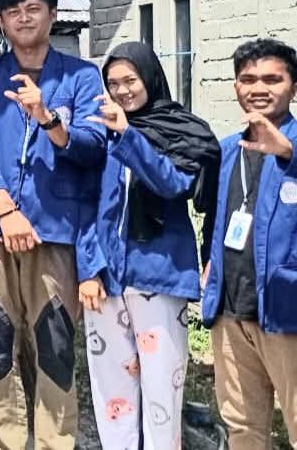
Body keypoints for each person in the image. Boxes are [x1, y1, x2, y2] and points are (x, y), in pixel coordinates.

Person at [0, 0, 106, 450]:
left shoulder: (82, 76)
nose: (23, 18)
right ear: (1, 21)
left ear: (53, 14)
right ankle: (4, 442)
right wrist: (5, 209)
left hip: (55, 229)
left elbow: (93, 146)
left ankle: (54, 443)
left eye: (33, 8)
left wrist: (47, 118)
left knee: (55, 344)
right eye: (12, 11)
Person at [79, 42, 220, 449]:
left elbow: (172, 184)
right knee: (113, 392)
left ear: (151, 78)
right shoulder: (102, 132)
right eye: (113, 83)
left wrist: (129, 134)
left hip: (158, 275)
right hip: (108, 279)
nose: (122, 91)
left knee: (162, 391)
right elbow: (88, 205)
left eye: (130, 80)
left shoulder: (178, 130)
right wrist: (89, 269)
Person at [201, 38, 297, 450]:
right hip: (231, 312)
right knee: (241, 426)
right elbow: (214, 220)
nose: (259, 88)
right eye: (248, 79)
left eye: (273, 79)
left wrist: (291, 154)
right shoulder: (227, 151)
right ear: (236, 87)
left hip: (286, 312)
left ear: (294, 87)